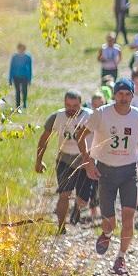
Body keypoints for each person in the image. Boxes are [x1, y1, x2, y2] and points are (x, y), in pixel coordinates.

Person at [78, 79, 138, 275]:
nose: (124, 98)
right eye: (120, 93)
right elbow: (80, 137)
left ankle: (121, 257)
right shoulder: (101, 113)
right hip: (105, 171)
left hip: (129, 172)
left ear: (132, 96)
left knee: (128, 217)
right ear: (114, 95)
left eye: (127, 94)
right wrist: (88, 162)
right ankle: (107, 233)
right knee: (109, 222)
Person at [35, 91, 94, 233]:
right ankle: (61, 227)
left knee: (83, 200)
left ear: (81, 104)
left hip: (85, 160)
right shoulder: (57, 117)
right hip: (65, 159)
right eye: (68, 105)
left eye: (75, 106)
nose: (71, 109)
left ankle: (77, 208)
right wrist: (39, 161)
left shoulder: (90, 116)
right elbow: (44, 139)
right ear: (64, 103)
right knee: (64, 194)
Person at [8, 43, 32, 111]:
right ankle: (18, 105)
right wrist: (10, 79)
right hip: (16, 77)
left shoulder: (28, 57)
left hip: (24, 77)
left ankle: (24, 104)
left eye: (22, 49)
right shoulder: (14, 57)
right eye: (20, 49)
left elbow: (30, 68)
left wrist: (29, 78)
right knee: (17, 91)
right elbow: (11, 68)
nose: (21, 51)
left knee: (24, 91)